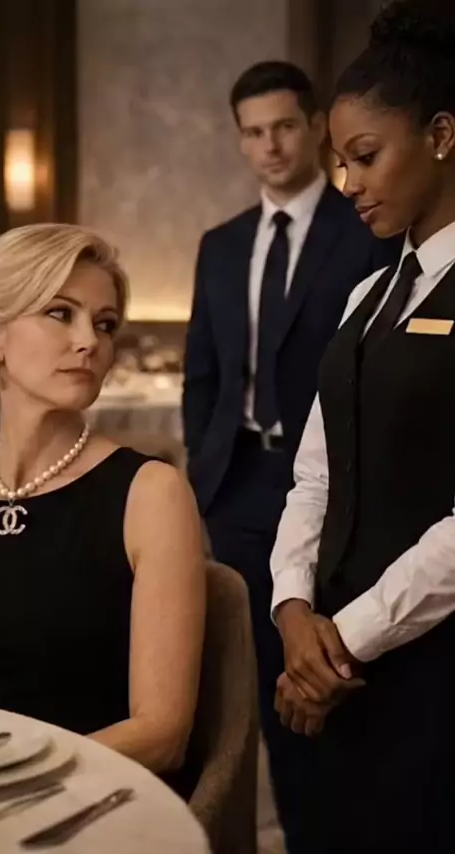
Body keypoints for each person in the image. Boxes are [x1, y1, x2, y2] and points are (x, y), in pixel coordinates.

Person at [182, 59, 402, 850]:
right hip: (237, 485)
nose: (269, 146)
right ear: (239, 141)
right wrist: (203, 473)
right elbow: (202, 375)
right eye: (253, 132)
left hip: (334, 489)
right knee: (246, 691)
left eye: (282, 127)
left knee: (321, 679)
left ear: (314, 129)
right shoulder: (220, 245)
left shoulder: (369, 228)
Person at [271, 1, 455, 851]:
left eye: (366, 157)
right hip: (332, 664)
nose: (347, 184)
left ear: (442, 136)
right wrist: (292, 607)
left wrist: (347, 638)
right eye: (341, 162)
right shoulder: (367, 293)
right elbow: (316, 473)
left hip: (428, 671)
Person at [0, 223, 205, 777]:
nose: (90, 342)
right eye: (61, 313)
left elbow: (161, 735)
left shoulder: (151, 494)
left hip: (86, 797)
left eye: (104, 324)